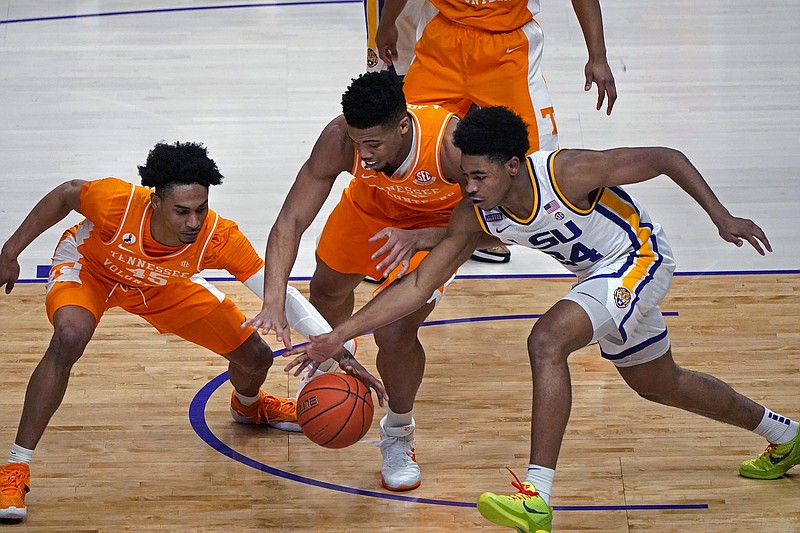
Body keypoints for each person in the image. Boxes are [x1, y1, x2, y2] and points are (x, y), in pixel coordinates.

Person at [289, 107, 798, 532]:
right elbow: (419, 286)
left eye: (479, 176)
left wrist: (722, 217)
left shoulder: (566, 172)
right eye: (463, 175)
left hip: (638, 255)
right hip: (598, 275)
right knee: (662, 384)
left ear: (513, 165)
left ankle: (537, 495)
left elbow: (667, 159)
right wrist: (340, 335)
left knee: (546, 340)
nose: (467, 187)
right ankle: (785, 433)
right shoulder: (474, 214)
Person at [0, 141, 383, 521]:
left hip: (163, 285)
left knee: (256, 358)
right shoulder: (115, 202)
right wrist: (10, 252)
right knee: (69, 336)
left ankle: (249, 408)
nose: (193, 222)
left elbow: (276, 290)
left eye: (201, 209)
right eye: (182, 212)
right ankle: (16, 467)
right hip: (90, 271)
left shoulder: (218, 237)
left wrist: (339, 350)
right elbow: (66, 194)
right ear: (156, 203)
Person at [244, 71, 500, 492]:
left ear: (403, 126)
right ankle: (330, 367)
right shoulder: (340, 137)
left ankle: (399, 433)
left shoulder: (452, 147)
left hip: (438, 229)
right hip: (370, 213)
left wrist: (423, 237)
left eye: (373, 145)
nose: (362, 156)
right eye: (356, 142)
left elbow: (500, 224)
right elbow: (290, 220)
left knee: (395, 330)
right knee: (326, 289)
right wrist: (273, 299)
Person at [376, 0, 618, 265]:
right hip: (445, 37)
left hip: (508, 46)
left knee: (540, 168)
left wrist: (598, 55)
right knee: (404, 141)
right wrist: (388, 22)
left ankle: (606, 246)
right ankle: (403, 231)